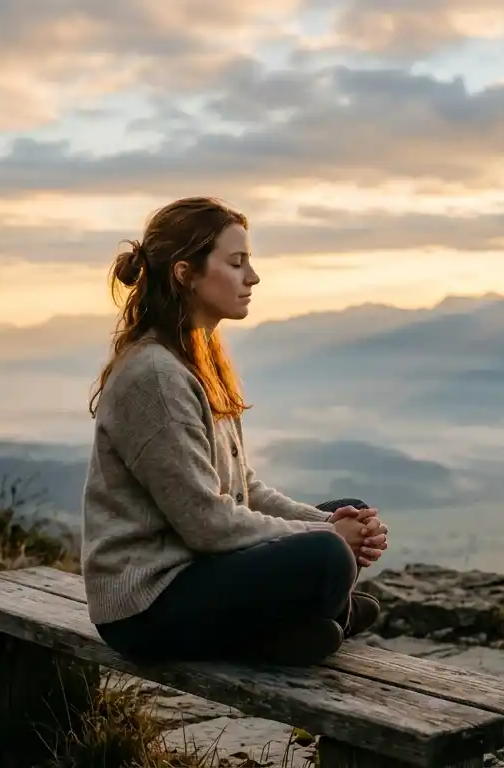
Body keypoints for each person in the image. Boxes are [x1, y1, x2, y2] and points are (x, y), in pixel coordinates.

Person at [81, 196, 391, 666]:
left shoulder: (196, 360)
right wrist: (327, 539)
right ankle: (299, 627)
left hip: (194, 573)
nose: (253, 277)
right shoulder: (156, 377)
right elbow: (207, 523)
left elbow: (242, 489)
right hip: (146, 606)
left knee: (343, 517)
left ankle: (306, 625)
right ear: (186, 274)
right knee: (326, 557)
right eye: (236, 262)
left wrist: (327, 522)